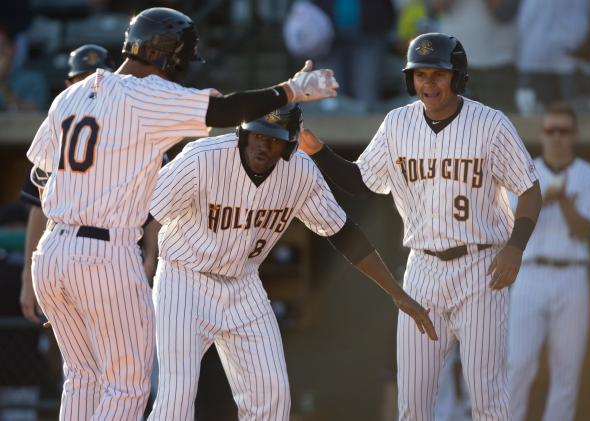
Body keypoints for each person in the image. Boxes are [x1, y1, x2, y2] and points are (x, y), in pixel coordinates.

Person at [25, 6, 339, 420]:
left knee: (82, 376)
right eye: (180, 63)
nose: (180, 72)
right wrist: (291, 91)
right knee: (128, 386)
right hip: (103, 252)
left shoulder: (71, 94)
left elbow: (41, 174)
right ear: (167, 56)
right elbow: (226, 112)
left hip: (52, 253)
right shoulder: (146, 93)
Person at [299, 32, 542, 420]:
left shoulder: (491, 124)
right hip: (422, 270)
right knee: (412, 399)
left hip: (480, 267)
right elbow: (361, 183)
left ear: (457, 77)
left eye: (438, 74)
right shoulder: (397, 123)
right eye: (420, 75)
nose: (428, 83)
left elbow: (529, 191)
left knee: (487, 396)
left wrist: (516, 246)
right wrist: (317, 151)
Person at [146, 102, 437, 421]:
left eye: (273, 139)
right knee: (177, 396)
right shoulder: (202, 157)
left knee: (273, 398)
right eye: (256, 135)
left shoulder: (300, 172)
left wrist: (395, 291)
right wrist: (145, 264)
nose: (262, 145)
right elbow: (148, 215)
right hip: (183, 278)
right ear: (243, 133)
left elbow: (342, 233)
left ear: (290, 143)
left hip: (243, 283)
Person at [507, 102, 590, 421]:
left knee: (567, 369)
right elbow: (506, 228)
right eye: (551, 130)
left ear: (574, 134)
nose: (557, 137)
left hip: (572, 275)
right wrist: (540, 200)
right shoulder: (525, 173)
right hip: (529, 275)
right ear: (542, 134)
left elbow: (583, 230)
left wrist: (562, 200)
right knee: (518, 364)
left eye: (564, 131)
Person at [20, 43, 116, 325]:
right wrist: (28, 276)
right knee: (76, 361)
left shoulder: (129, 125)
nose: (89, 85)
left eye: (95, 77)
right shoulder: (56, 130)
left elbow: (156, 208)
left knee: (134, 363)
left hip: (121, 254)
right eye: (81, 78)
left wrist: (150, 261)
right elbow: (39, 207)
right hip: (66, 251)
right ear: (68, 84)